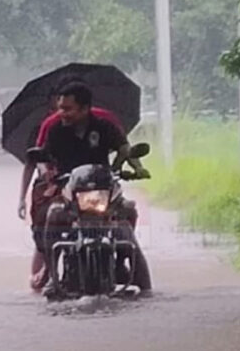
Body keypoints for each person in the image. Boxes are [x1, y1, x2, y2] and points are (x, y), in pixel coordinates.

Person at [35, 81, 152, 294]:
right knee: (53, 215)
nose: (62, 113)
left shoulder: (105, 127)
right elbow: (43, 157)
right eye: (60, 108)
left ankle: (127, 265)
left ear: (85, 108)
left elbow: (124, 148)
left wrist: (138, 168)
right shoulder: (55, 131)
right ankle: (52, 274)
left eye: (68, 109)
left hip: (104, 190)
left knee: (128, 211)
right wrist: (46, 173)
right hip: (70, 191)